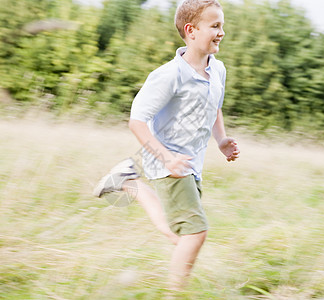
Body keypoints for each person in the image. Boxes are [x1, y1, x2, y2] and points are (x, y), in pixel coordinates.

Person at [93, 0, 240, 292]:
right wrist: (167, 158)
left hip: (190, 163)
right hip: (167, 162)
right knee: (195, 234)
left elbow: (215, 106)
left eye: (222, 25)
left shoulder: (218, 70)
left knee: (181, 235)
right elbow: (137, 121)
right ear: (191, 31)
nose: (222, 32)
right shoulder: (169, 75)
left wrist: (221, 140)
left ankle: (128, 181)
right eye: (215, 26)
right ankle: (175, 294)